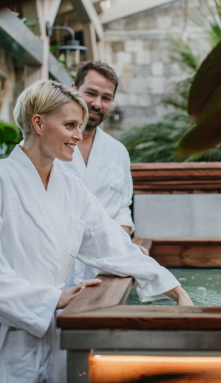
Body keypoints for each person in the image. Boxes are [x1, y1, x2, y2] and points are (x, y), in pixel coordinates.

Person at [0, 80, 193, 383]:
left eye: (79, 126)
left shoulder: (70, 188)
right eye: (69, 125)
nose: (79, 135)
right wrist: (51, 299)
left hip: (51, 330)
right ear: (38, 123)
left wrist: (176, 291)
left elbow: (113, 243)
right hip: (0, 339)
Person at [54, 61, 147, 289]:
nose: (97, 104)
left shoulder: (118, 152)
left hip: (102, 270)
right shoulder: (46, 142)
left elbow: (122, 209)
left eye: (106, 98)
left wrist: (125, 247)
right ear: (74, 89)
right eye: (91, 93)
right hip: (53, 266)